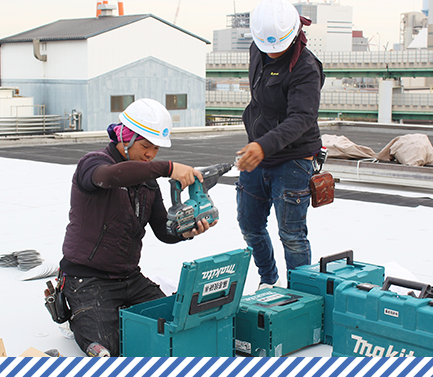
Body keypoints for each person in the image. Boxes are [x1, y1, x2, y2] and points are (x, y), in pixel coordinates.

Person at [59, 98, 215, 357]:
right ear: (124, 136)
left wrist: (185, 232)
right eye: (145, 146)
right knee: (110, 346)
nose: (151, 155)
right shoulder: (92, 163)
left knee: (173, 325)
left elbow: (164, 231)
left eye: (156, 150)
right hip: (87, 278)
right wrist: (168, 168)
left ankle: (112, 311)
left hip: (129, 277)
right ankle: (76, 313)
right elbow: (110, 176)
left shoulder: (148, 180)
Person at [235, 0, 325, 290]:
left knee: (291, 233)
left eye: (279, 46)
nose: (272, 51)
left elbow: (302, 118)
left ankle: (302, 296)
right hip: (259, 151)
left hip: (293, 158)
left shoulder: (306, 67)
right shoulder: (257, 49)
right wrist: (257, 144)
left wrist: (263, 146)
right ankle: (268, 281)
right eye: (266, 46)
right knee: (250, 225)